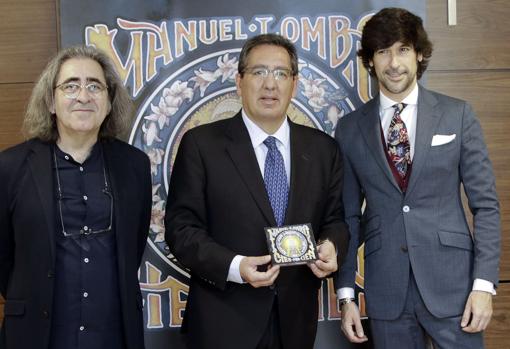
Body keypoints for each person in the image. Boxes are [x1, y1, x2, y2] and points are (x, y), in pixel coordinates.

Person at [165, 33, 349, 349]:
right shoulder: (201, 145)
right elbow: (181, 230)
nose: (270, 84)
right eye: (259, 72)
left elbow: (336, 220)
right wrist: (236, 266)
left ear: (294, 83)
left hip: (296, 324)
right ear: (239, 81)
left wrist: (332, 246)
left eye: (280, 74)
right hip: (223, 323)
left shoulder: (323, 149)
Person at [334, 7, 500, 349]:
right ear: (370, 61)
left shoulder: (458, 114)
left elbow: (486, 206)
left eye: (403, 49)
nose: (394, 63)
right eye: (382, 52)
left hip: (454, 286)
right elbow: (348, 217)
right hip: (387, 289)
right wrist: (346, 294)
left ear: (419, 54)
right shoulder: (350, 129)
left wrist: (483, 285)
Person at [0, 45, 152, 349]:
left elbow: (132, 246)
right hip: (37, 334)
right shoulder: (10, 167)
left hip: (113, 333)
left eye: (95, 86)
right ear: (51, 102)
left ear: (109, 103)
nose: (83, 96)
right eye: (71, 86)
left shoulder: (134, 165)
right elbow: (4, 257)